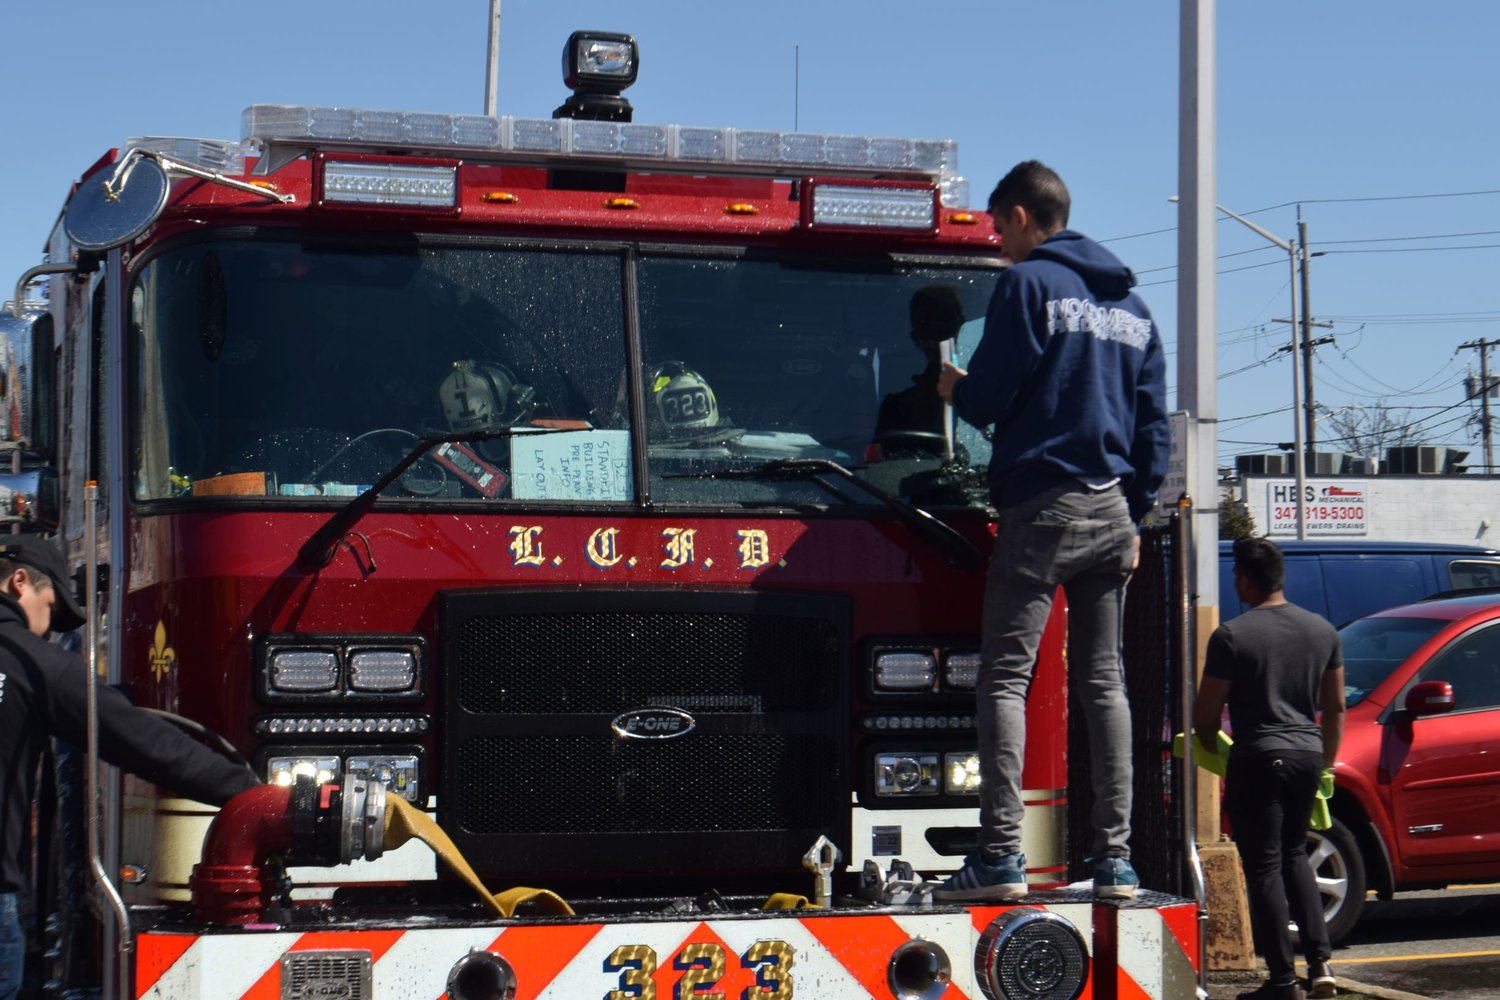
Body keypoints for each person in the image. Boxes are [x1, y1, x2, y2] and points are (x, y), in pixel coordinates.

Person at [933, 160, 1169, 902]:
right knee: (1106, 684)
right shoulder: (1132, 306)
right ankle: (1115, 863)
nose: (998, 241)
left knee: (1004, 678)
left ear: (1025, 217)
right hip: (1112, 511)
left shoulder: (1029, 284)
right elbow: (1153, 426)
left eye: (1000, 226)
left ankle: (1001, 856)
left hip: (1042, 505)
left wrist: (953, 389)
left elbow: (993, 395)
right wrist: (1136, 513)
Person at [0, 536, 261, 1000]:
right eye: (51, 609)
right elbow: (147, 744)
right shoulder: (35, 664)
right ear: (19, 581)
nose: (46, 630)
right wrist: (250, 791)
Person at [1194, 538, 1344, 1000]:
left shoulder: (1232, 636)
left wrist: (1209, 746)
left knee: (1263, 868)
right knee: (1296, 853)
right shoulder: (1323, 631)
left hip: (1257, 756)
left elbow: (1205, 715)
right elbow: (1335, 706)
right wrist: (1326, 762)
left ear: (1243, 578)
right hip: (1305, 756)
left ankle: (1281, 981)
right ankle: (1320, 967)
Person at [871, 284, 966, 449]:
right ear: (916, 335)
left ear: (960, 323)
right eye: (925, 324)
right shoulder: (897, 407)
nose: (936, 330)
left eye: (944, 318)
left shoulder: (987, 392)